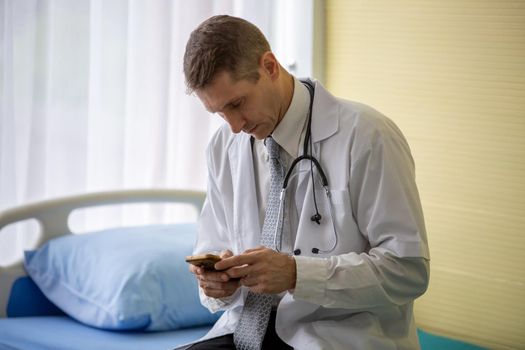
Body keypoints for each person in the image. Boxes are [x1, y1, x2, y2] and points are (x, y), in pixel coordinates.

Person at [181, 14, 430, 350]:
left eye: (237, 104)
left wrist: (298, 274)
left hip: (338, 337)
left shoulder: (368, 137)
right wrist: (215, 284)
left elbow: (408, 271)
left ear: (270, 67)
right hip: (244, 333)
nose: (235, 126)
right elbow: (211, 245)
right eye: (219, 113)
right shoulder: (224, 146)